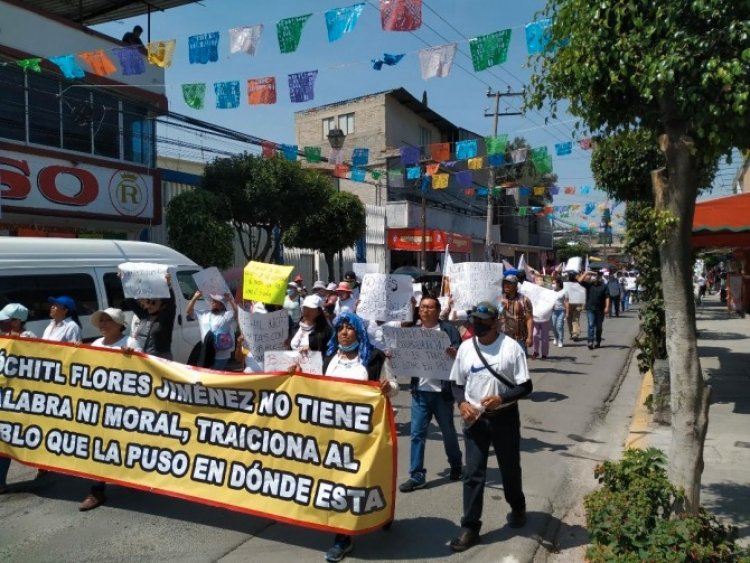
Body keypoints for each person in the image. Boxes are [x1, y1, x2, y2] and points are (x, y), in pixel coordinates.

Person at [309, 312, 398, 562]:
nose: (344, 332)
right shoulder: (327, 359)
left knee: (370, 478)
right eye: (340, 329)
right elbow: (311, 387)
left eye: (349, 328)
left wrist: (387, 388)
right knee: (341, 483)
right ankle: (342, 537)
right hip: (333, 434)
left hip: (365, 433)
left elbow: (394, 387)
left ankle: (383, 512)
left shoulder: (373, 358)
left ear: (359, 332)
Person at [448, 301, 533, 552]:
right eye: (475, 320)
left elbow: (525, 386)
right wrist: (462, 403)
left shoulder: (511, 348)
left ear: (496, 322)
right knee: (473, 473)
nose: (479, 325)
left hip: (505, 417)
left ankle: (517, 506)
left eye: (484, 321)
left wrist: (502, 399)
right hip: (474, 419)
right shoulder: (466, 348)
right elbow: (456, 382)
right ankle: (470, 526)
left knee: (509, 468)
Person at [79, 308, 142, 511]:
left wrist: (132, 359)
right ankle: (96, 490)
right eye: (101, 321)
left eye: (108, 321)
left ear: (120, 324)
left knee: (122, 445)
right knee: (98, 447)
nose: (103, 324)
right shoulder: (96, 344)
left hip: (123, 407)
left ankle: (130, 477)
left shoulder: (130, 344)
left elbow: (144, 374)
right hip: (99, 407)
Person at [399, 295, 463, 493]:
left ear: (437, 310)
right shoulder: (414, 332)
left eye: (429, 307)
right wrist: (395, 356)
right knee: (417, 434)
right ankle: (417, 475)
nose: (425, 310)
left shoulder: (448, 330)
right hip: (420, 392)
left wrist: (455, 352)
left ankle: (456, 464)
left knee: (448, 432)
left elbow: (462, 354)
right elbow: (404, 356)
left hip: (442, 393)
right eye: (422, 307)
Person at [0, 303, 37, 494]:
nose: (2, 323)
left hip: (18, 397)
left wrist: (18, 345)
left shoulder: (29, 338)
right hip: (3, 393)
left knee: (8, 437)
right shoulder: (3, 338)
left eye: (6, 320)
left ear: (17, 321)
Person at [126, 274, 176, 360]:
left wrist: (168, 286)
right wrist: (125, 280)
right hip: (143, 359)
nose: (149, 305)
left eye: (153, 302)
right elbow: (130, 300)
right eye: (147, 301)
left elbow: (171, 303)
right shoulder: (144, 316)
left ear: (162, 304)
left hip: (160, 360)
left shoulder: (166, 318)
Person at [186, 291, 238, 370]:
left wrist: (230, 300)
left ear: (221, 305)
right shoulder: (204, 314)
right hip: (207, 351)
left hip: (221, 354)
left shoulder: (226, 315)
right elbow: (189, 311)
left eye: (215, 301)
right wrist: (195, 297)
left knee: (214, 375)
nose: (212, 302)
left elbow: (237, 313)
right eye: (212, 301)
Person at [500, 273, 533, 356]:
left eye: (509, 283)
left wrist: (530, 337)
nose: (506, 285)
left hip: (519, 338)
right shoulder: (500, 299)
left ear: (515, 285)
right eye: (505, 283)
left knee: (520, 363)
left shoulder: (524, 300)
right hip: (503, 338)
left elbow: (529, 319)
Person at [578, 270, 611, 350]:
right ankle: (590, 341)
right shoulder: (589, 285)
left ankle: (598, 341)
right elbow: (579, 281)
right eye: (593, 276)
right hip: (590, 308)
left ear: (599, 277)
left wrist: (607, 307)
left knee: (599, 327)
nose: (594, 277)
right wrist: (587, 272)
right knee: (591, 325)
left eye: (596, 276)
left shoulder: (604, 286)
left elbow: (607, 297)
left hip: (600, 309)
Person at [565, 272, 584, 341]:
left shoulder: (567, 285)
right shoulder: (579, 284)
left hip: (570, 303)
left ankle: (573, 333)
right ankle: (574, 334)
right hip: (577, 303)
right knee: (575, 319)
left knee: (570, 319)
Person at [551, 279, 569, 348]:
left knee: (559, 326)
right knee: (554, 326)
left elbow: (566, 302)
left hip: (561, 311)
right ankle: (556, 337)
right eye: (552, 283)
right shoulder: (551, 292)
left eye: (554, 283)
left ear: (558, 284)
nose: (553, 285)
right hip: (553, 311)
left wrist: (567, 312)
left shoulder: (564, 292)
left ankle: (560, 341)